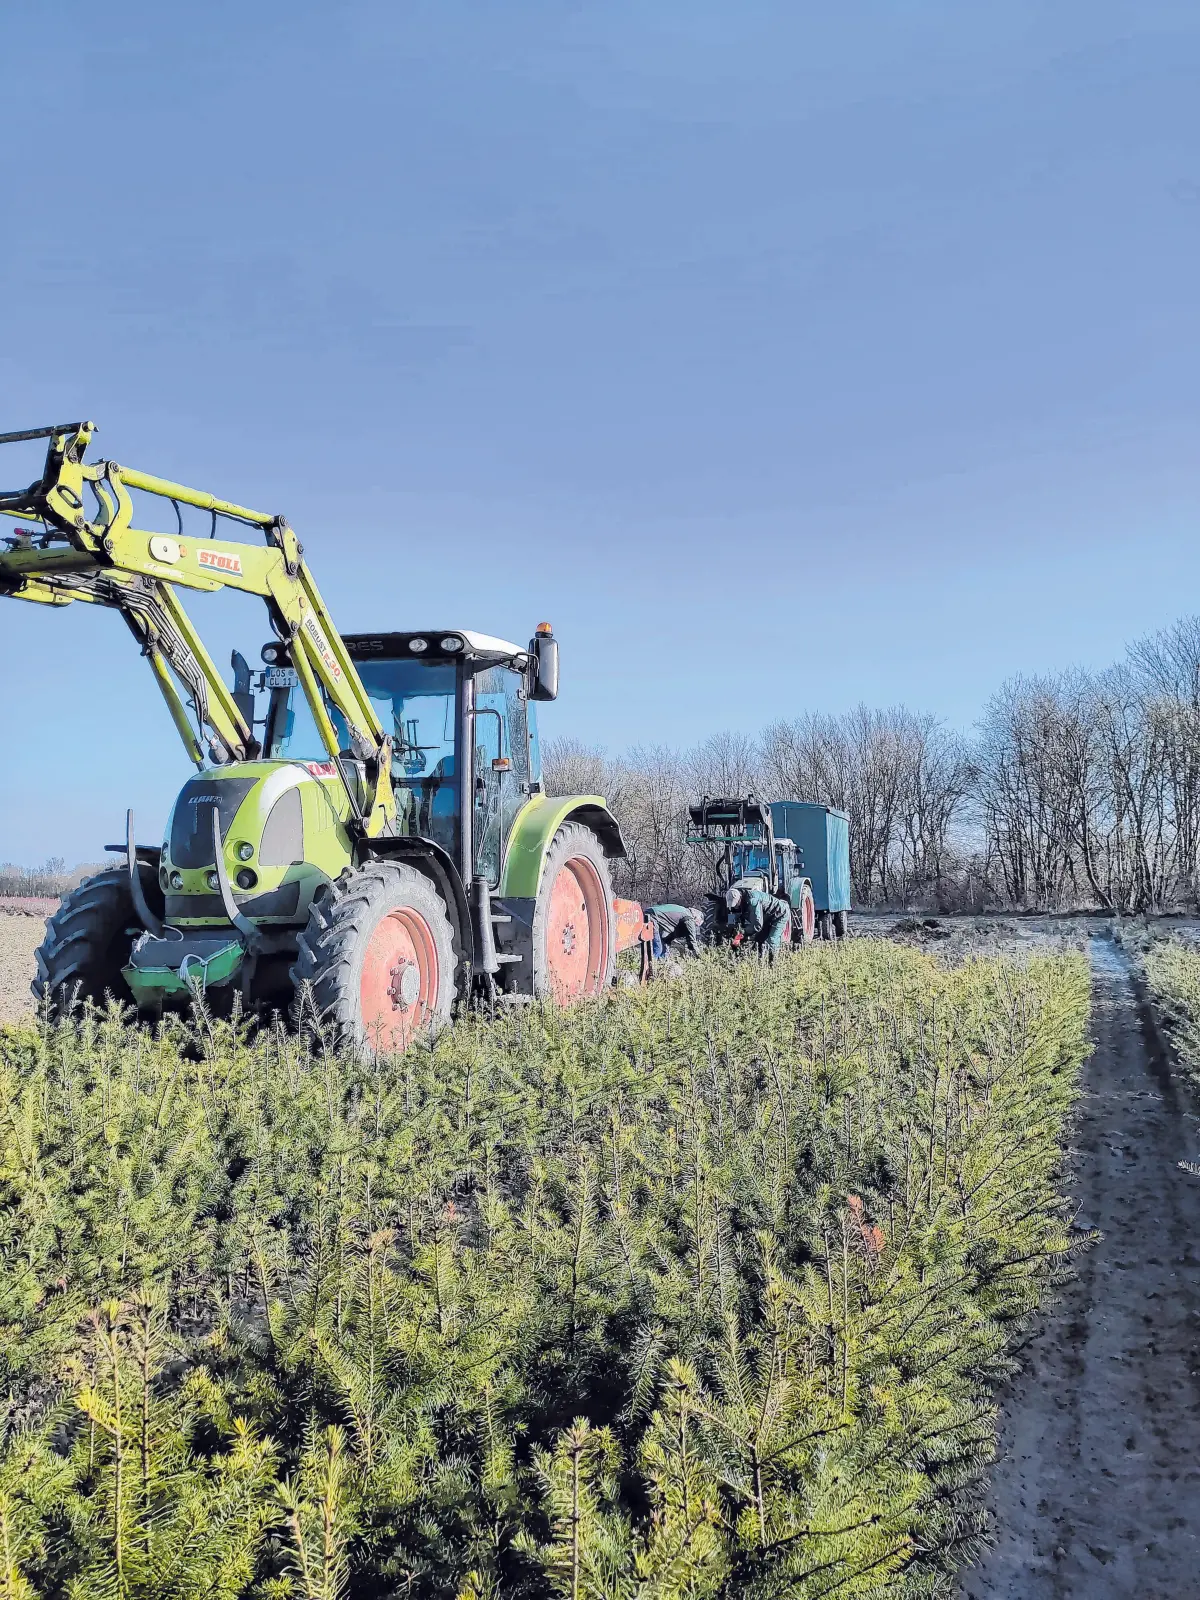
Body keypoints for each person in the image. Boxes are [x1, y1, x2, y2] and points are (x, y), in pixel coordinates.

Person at [725, 885, 791, 963]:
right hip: (766, 916)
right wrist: (731, 932)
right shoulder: (734, 902)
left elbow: (757, 925)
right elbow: (732, 916)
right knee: (759, 940)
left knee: (772, 940)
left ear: (739, 899)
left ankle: (773, 964)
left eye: (735, 904)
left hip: (779, 913)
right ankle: (760, 962)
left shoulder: (752, 901)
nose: (735, 907)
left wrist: (742, 933)